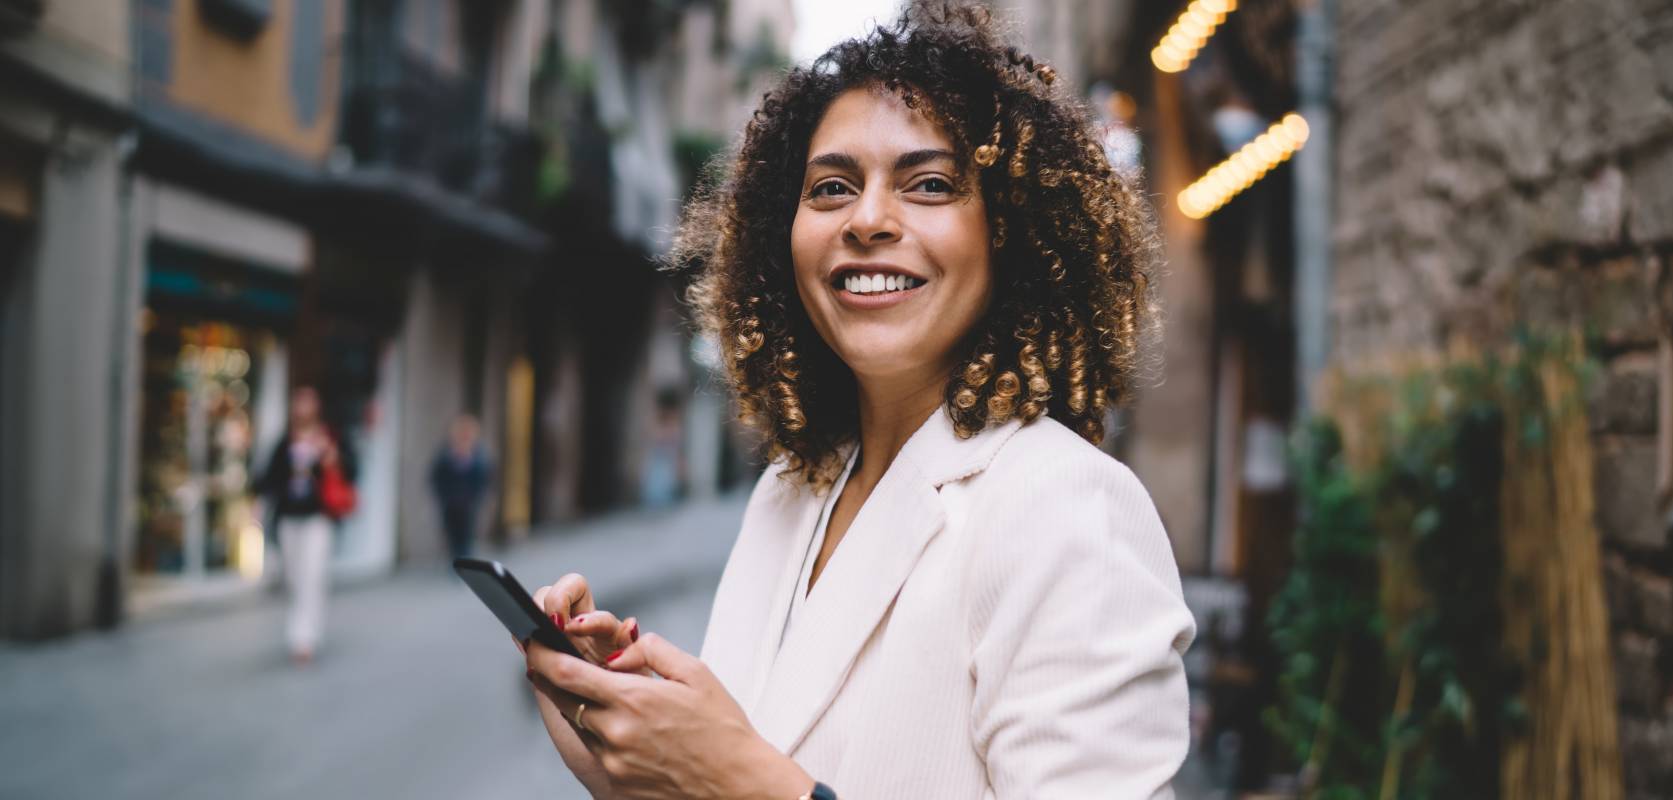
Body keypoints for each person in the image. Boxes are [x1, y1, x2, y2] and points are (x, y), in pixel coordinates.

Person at [521, 4, 1196, 797]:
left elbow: (751, 782)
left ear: (1010, 234)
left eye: (931, 184)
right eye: (832, 187)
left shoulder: (1071, 510)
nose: (868, 219)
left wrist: (738, 775)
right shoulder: (791, 490)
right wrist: (626, 745)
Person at [253, 385, 355, 665]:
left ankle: (303, 637)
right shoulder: (286, 442)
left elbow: (351, 471)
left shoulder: (328, 438)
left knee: (312, 575)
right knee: (296, 578)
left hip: (317, 517)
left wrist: (329, 458)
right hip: (289, 517)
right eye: (298, 402)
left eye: (308, 402)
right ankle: (303, 629)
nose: (302, 407)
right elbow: (268, 478)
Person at [431, 413, 492, 562]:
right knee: (453, 535)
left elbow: (484, 478)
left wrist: (477, 497)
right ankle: (456, 561)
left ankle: (464, 562)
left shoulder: (478, 454)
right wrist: (444, 496)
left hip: (468, 504)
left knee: (466, 535)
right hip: (451, 503)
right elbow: (436, 477)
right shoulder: (447, 454)